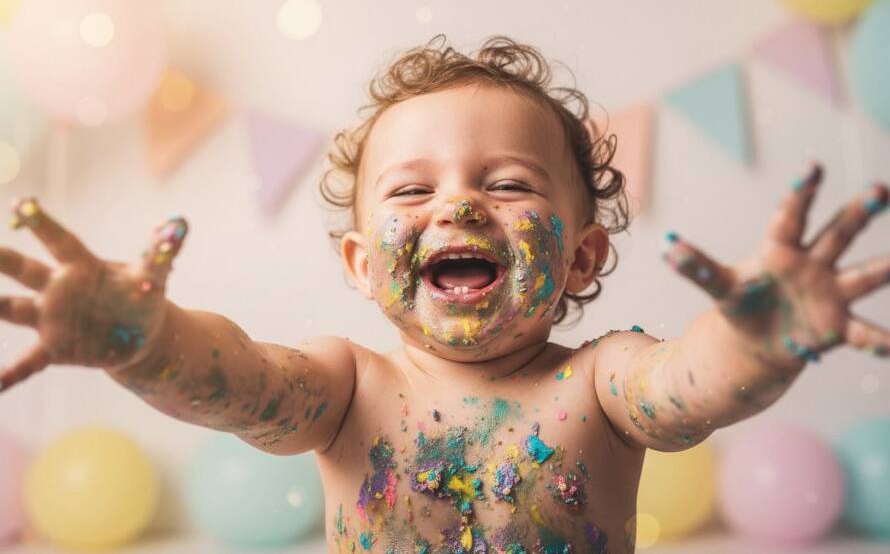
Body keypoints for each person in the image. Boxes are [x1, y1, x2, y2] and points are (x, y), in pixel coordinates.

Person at [1, 35, 888, 554]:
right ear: (358, 262)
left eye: (507, 184)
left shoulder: (600, 383)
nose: (460, 203)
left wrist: (759, 344)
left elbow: (685, 388)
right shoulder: (346, 387)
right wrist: (145, 342)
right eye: (412, 190)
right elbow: (239, 383)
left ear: (581, 259)